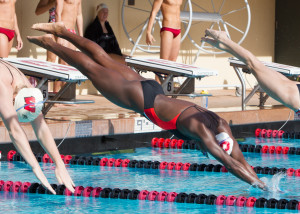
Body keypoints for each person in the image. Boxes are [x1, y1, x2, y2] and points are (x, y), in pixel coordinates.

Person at [28, 22, 268, 191]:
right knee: (92, 69)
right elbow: (230, 163)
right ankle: (51, 44)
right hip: (142, 100)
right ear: (218, 141)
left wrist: (260, 181)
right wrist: (259, 187)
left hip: (153, 89)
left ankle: (64, 33)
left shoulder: (219, 122)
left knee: (104, 59)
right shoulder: (202, 132)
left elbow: (240, 161)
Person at [0, 58, 75, 194]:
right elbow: (14, 130)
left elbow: (40, 126)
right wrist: (36, 168)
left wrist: (59, 163)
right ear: (14, 97)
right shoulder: (3, 85)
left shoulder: (25, 87)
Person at [202, 29, 300, 116]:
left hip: (296, 95)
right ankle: (224, 39)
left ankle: (226, 45)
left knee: (255, 65)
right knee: (253, 65)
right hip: (296, 97)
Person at [35, 0, 83, 93]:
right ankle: (48, 94)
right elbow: (56, 13)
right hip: (57, 28)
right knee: (51, 62)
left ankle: (62, 95)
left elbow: (79, 14)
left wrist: (80, 36)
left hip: (71, 31)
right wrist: (59, 32)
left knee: (67, 64)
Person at [146, 0, 182, 83]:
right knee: (163, 64)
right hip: (167, 29)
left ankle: (167, 90)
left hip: (178, 30)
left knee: (172, 63)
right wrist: (148, 32)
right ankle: (157, 90)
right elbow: (153, 12)